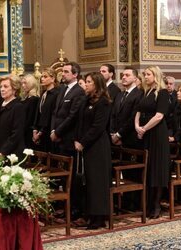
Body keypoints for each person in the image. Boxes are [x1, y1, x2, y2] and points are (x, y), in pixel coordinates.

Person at [74, 72, 112, 229]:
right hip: (87, 145)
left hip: (98, 146)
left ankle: (100, 218)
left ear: (96, 84)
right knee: (88, 182)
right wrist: (77, 139)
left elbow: (98, 127)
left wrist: (83, 142)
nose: (86, 84)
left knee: (97, 182)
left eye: (89, 82)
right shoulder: (86, 100)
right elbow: (80, 122)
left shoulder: (104, 102)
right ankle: (90, 215)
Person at [50, 62, 86, 220]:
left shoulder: (79, 92)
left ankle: (75, 208)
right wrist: (53, 130)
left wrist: (58, 131)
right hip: (58, 139)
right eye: (62, 71)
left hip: (69, 139)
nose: (62, 74)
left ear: (75, 74)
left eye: (65, 72)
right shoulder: (63, 89)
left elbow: (72, 117)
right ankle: (65, 206)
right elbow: (55, 113)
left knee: (72, 177)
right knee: (63, 175)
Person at [135, 66, 170, 219]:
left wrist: (144, 128)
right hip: (146, 133)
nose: (146, 77)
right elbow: (138, 111)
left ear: (156, 76)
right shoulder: (145, 91)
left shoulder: (162, 93)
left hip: (157, 134)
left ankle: (156, 204)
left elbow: (159, 116)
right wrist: (137, 126)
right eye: (144, 74)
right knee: (149, 169)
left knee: (157, 169)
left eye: (148, 74)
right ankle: (148, 204)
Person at [0, 74, 25, 162]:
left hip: (12, 155)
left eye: (6, 86)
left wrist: (3, 153)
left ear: (14, 89)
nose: (2, 89)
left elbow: (17, 134)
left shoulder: (18, 107)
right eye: (1, 86)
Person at [110, 67, 143, 149]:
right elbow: (113, 115)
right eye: (123, 75)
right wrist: (112, 133)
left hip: (130, 139)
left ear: (135, 78)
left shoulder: (139, 94)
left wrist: (119, 135)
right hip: (114, 139)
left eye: (127, 75)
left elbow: (133, 118)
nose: (124, 77)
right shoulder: (119, 94)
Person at [33, 68, 59, 152]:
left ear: (52, 78)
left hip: (48, 132)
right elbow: (38, 113)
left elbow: (50, 115)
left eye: (45, 76)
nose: (42, 79)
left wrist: (40, 133)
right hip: (40, 131)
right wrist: (35, 129)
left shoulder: (56, 94)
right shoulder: (44, 93)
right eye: (42, 76)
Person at [21, 74, 40, 149]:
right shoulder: (26, 98)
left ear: (31, 84)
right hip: (24, 131)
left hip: (28, 132)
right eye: (22, 83)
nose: (23, 85)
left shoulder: (34, 99)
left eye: (25, 83)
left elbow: (30, 118)